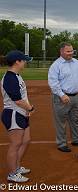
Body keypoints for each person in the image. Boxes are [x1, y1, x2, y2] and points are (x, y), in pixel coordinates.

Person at [48, 42, 78, 153]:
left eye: (72, 51)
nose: (71, 53)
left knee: (75, 120)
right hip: (62, 98)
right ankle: (61, 143)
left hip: (76, 97)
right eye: (68, 51)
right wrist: (61, 95)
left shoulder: (77, 63)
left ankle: (76, 139)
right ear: (61, 51)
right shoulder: (56, 65)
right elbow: (53, 83)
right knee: (61, 122)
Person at [1, 51, 33, 183]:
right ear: (17, 62)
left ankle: (17, 166)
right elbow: (17, 100)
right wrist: (30, 108)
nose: (25, 62)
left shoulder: (17, 76)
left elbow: (23, 97)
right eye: (24, 60)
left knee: (26, 140)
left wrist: (27, 109)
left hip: (21, 113)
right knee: (15, 144)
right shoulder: (9, 78)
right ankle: (12, 173)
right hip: (13, 113)